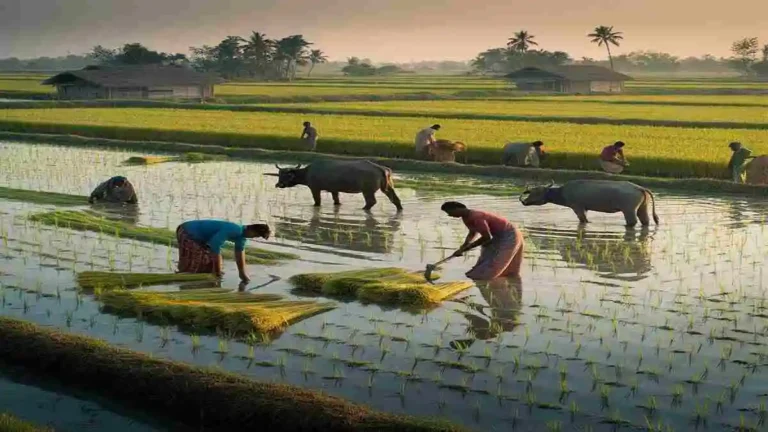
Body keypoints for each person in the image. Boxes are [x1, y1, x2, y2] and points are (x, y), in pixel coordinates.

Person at [440, 201, 524, 280]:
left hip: (508, 234)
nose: (450, 215)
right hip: (497, 236)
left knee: (498, 260)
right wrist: (464, 246)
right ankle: (492, 280)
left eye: (449, 212)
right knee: (486, 257)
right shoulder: (466, 217)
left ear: (457, 209)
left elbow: (486, 237)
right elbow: (472, 233)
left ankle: (489, 280)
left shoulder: (477, 216)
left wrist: (466, 248)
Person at [175, 219, 271, 283]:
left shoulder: (241, 238)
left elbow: (239, 255)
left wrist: (243, 274)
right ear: (252, 230)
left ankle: (195, 277)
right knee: (198, 260)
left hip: (198, 237)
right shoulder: (235, 229)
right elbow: (214, 245)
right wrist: (217, 272)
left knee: (209, 262)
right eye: (256, 235)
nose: (254, 237)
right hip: (187, 232)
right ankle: (183, 278)